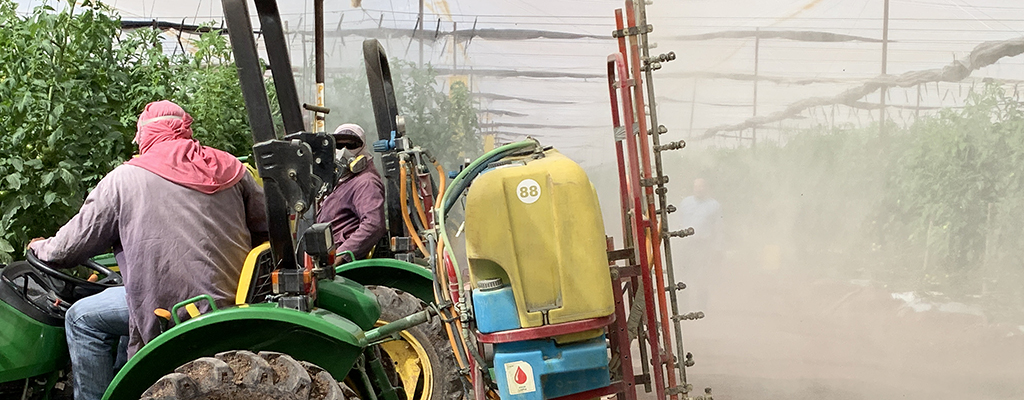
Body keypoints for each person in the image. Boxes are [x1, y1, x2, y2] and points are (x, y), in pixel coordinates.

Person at [28, 100, 268, 400]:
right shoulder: (230, 167)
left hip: (174, 307)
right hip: (234, 297)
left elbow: (67, 249)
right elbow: (266, 225)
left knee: (81, 317)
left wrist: (41, 247)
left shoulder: (125, 179)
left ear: (146, 135)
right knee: (115, 303)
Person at [316, 124, 386, 264]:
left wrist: (341, 256)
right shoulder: (342, 179)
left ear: (362, 147)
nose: (344, 151)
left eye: (351, 145)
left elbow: (373, 225)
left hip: (338, 260)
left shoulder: (366, 182)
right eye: (339, 146)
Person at [674, 178, 723, 312]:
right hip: (685, 245)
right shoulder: (685, 203)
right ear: (693, 188)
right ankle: (684, 308)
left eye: (701, 186)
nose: (699, 189)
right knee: (682, 275)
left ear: (706, 188)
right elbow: (678, 221)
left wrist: (717, 248)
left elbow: (718, 228)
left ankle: (702, 309)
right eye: (696, 186)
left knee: (701, 276)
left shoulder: (714, 205)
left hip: (702, 245)